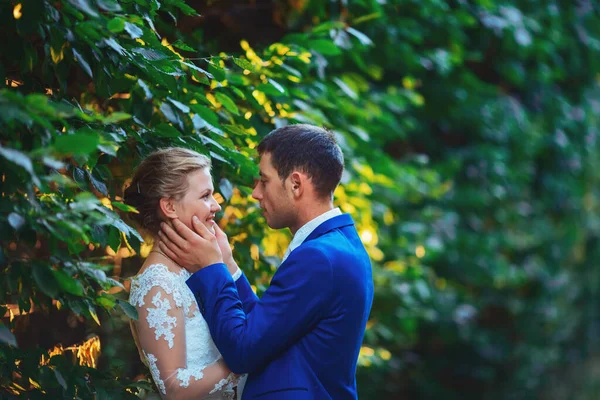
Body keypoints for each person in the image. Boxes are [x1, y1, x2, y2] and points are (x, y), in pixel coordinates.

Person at [158, 124, 374, 399]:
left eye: (264, 180)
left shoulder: (318, 258)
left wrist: (211, 269)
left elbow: (243, 351)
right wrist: (230, 267)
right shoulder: (341, 245)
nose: (256, 193)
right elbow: (269, 330)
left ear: (296, 184)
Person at [123, 147, 243, 399]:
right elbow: (174, 388)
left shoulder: (200, 267)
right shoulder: (157, 284)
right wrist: (244, 358)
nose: (216, 206)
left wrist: (226, 263)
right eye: (205, 196)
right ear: (169, 206)